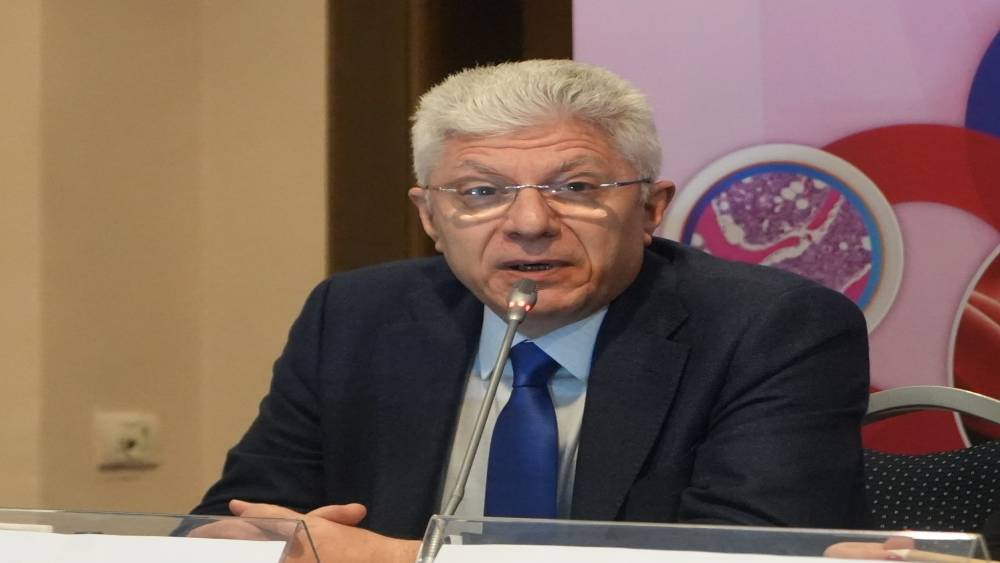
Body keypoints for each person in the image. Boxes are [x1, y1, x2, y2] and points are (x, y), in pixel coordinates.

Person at [191, 60, 871, 562]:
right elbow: (241, 513)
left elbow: (750, 553)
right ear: (429, 216)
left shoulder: (773, 328)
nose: (528, 224)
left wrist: (399, 559)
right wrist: (235, 544)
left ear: (650, 209)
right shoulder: (355, 315)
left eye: (575, 187)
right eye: (480, 192)